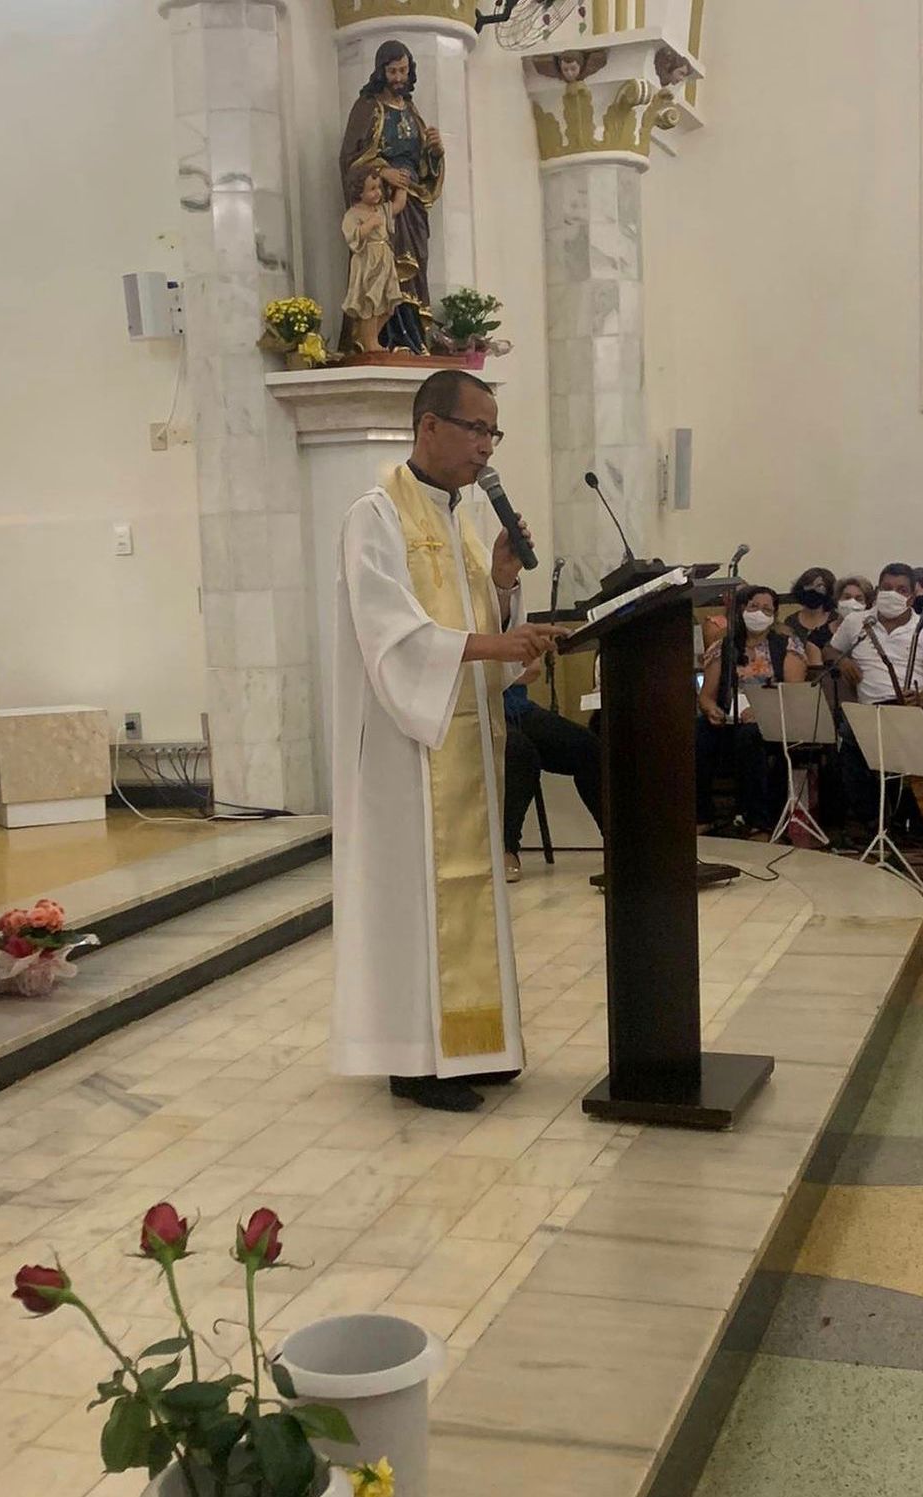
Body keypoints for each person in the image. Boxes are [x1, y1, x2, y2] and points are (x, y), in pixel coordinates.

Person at [330, 369, 565, 1113]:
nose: (486, 446)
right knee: (416, 897)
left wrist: (502, 584)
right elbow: (392, 634)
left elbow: (476, 621)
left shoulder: (460, 518)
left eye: (494, 432)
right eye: (476, 428)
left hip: (464, 744)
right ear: (429, 426)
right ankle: (413, 1060)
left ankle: (472, 1046)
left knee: (467, 893)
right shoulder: (375, 516)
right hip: (405, 752)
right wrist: (497, 645)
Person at [828, 563, 923, 828]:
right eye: (887, 588)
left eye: (901, 590)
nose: (892, 594)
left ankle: (918, 814)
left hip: (919, 707)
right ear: (878, 591)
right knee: (848, 736)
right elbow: (829, 650)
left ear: (912, 596)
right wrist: (841, 660)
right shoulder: (856, 622)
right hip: (871, 709)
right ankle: (872, 819)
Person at [339, 40, 444, 354]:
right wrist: (383, 172)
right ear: (381, 71)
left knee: (414, 266)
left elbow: (422, 164)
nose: (399, 77)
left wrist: (435, 152)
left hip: (410, 201)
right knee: (383, 269)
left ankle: (412, 339)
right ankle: (382, 339)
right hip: (381, 199)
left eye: (404, 70)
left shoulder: (411, 110)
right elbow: (349, 159)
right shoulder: (367, 108)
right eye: (393, 71)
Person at [696, 585, 806, 836]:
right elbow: (706, 697)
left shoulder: (787, 646)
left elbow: (793, 693)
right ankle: (703, 815)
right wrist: (711, 710)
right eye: (753, 607)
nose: (759, 613)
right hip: (729, 718)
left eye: (767, 609)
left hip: (772, 720)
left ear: (774, 615)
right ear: (742, 610)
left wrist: (761, 711)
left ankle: (756, 819)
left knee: (749, 736)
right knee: (698, 732)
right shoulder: (724, 647)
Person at [502, 664, 602, 881]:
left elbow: (533, 669)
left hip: (518, 708)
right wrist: (505, 670)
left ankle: (618, 844)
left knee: (588, 747)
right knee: (520, 752)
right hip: (476, 712)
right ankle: (507, 848)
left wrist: (496, 672)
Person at [341, 165, 405, 354]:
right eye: (372, 189)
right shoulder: (353, 214)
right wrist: (369, 224)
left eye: (379, 188)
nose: (378, 193)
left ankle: (369, 339)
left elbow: (398, 205)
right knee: (371, 302)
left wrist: (403, 185)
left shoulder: (381, 210)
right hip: (368, 263)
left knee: (388, 305)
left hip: (384, 261)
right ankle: (370, 343)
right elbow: (352, 236)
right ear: (358, 191)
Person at [785, 567, 838, 667]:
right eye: (808, 585)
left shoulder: (836, 620)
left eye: (820, 586)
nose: (813, 590)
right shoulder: (791, 621)